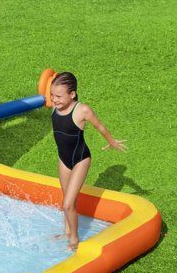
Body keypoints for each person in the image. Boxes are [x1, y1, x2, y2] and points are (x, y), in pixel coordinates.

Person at [50, 71, 127, 252]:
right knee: (67, 200)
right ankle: (67, 232)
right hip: (63, 158)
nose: (54, 100)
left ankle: (74, 240)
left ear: (72, 94)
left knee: (68, 203)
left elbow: (100, 126)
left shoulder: (82, 110)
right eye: (52, 95)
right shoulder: (55, 108)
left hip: (80, 159)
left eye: (59, 96)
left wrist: (111, 141)